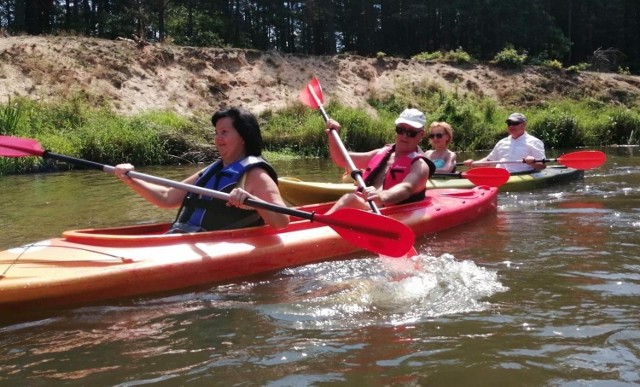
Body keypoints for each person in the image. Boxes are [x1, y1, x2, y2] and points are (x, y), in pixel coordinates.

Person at [114, 107, 290, 233]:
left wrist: (252, 200)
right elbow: (167, 197)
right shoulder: (213, 170)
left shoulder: (256, 175)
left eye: (224, 132)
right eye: (216, 132)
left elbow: (281, 222)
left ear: (243, 136)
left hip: (216, 246)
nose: (218, 139)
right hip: (185, 236)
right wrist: (131, 180)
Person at [325, 108, 435, 213]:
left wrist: (381, 196)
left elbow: (406, 188)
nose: (404, 136)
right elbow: (342, 159)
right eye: (400, 130)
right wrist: (332, 136)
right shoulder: (381, 153)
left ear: (421, 134)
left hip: (392, 212)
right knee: (350, 200)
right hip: (367, 206)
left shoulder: (420, 166)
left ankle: (319, 227)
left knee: (349, 199)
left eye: (411, 133)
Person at [463, 112, 546, 173]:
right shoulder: (502, 142)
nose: (511, 126)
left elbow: (542, 166)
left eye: (515, 123)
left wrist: (533, 162)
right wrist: (473, 163)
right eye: (509, 123)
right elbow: (488, 161)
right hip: (499, 175)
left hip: (520, 175)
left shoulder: (534, 142)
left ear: (524, 125)